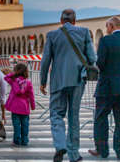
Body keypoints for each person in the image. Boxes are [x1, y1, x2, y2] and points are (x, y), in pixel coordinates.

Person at [40, 9, 96, 162]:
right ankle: (73, 154)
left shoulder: (52, 35)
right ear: (75, 20)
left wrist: (43, 81)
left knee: (56, 114)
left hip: (58, 81)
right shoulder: (84, 32)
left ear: (61, 20)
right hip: (78, 80)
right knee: (73, 116)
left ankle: (60, 145)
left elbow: (45, 60)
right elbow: (92, 57)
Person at [88, 17, 120, 160]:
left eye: (107, 26)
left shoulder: (105, 41)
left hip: (107, 88)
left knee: (101, 118)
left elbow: (101, 63)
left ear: (111, 26)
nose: (106, 29)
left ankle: (102, 150)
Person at [4, 63, 35, 146]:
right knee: (25, 125)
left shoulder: (14, 81)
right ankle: (25, 141)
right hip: (24, 108)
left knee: (16, 125)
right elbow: (31, 95)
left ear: (16, 71)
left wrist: (13, 74)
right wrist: (32, 105)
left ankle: (16, 140)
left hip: (15, 107)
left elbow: (6, 77)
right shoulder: (28, 83)